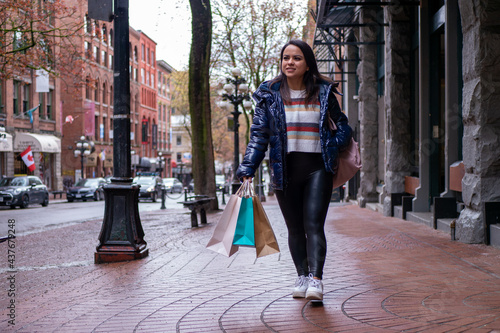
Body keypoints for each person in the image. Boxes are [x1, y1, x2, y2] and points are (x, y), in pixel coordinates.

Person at [236, 40, 352, 301]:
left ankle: (316, 280)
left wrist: (332, 144)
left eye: (296, 58)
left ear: (308, 63)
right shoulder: (269, 94)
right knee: (295, 228)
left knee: (314, 224)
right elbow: (258, 136)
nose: (290, 62)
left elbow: (344, 127)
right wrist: (248, 167)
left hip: (318, 169)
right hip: (284, 170)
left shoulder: (323, 92)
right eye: (286, 57)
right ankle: (301, 276)